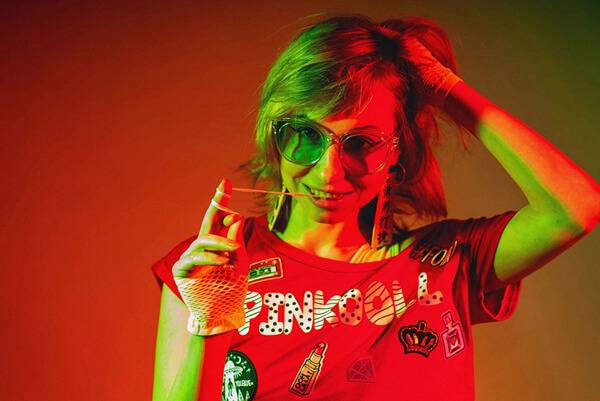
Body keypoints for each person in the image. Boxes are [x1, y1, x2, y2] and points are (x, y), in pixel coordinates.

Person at [151, 15, 600, 401]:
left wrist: (446, 89)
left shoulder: (449, 263)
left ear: (397, 150)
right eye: (305, 134)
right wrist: (209, 325)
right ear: (275, 134)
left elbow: (576, 207)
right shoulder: (212, 268)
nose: (329, 172)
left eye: (361, 143)